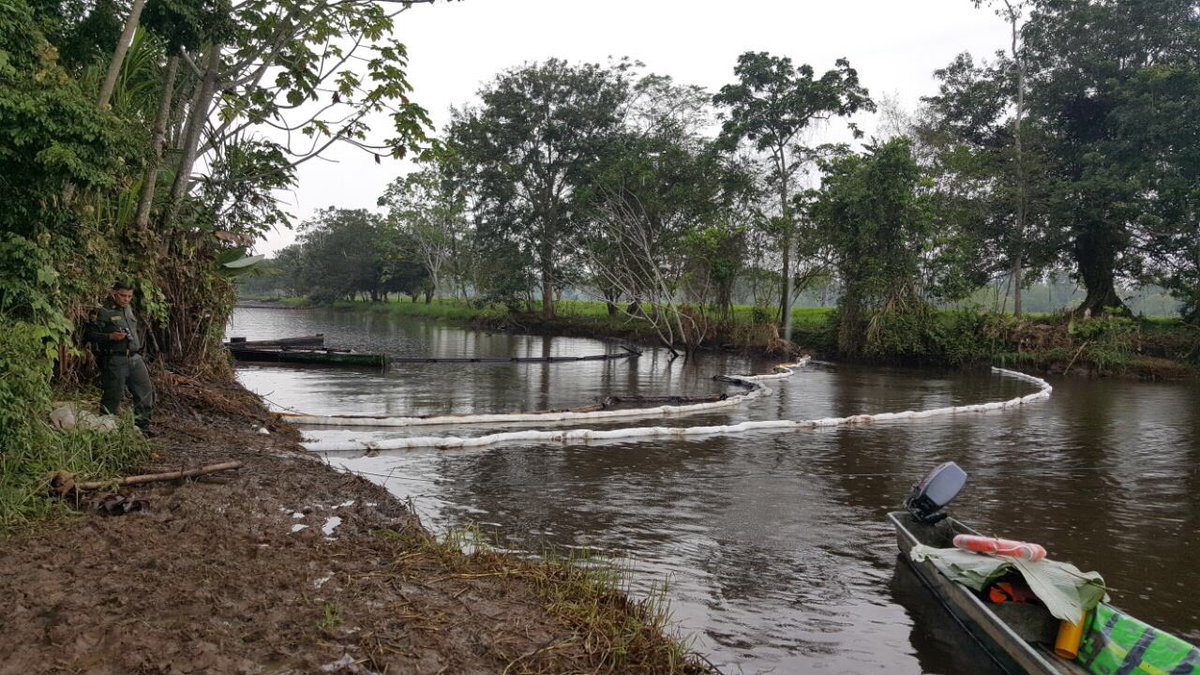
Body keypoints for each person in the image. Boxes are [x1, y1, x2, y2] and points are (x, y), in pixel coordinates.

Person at [85, 282, 155, 433]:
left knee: (145, 391)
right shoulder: (103, 311)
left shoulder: (129, 309)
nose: (126, 300)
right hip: (115, 359)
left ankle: (142, 427)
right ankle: (106, 428)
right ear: (114, 293)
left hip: (135, 357)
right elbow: (90, 335)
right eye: (123, 296)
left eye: (129, 296)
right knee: (113, 395)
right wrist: (110, 336)